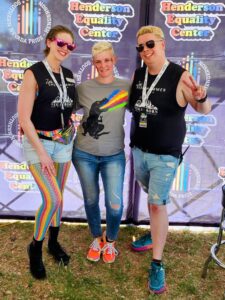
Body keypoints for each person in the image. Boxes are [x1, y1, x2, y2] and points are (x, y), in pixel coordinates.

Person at [129, 25, 211, 294]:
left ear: (163, 44)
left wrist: (202, 97)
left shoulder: (179, 75)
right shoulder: (139, 74)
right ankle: (154, 235)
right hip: (139, 150)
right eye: (140, 47)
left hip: (165, 155)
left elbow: (201, 107)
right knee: (152, 198)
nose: (145, 51)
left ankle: (157, 262)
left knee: (156, 204)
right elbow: (133, 105)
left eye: (150, 44)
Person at [18, 25, 78, 279]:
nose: (65, 49)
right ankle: (36, 247)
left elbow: (68, 106)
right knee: (52, 199)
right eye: (61, 43)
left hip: (64, 143)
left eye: (70, 46)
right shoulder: (34, 73)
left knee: (60, 198)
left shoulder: (69, 74)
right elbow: (23, 118)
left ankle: (54, 243)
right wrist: (42, 152)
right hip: (38, 144)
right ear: (50, 42)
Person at [72, 41, 130, 264]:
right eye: (98, 61)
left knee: (115, 206)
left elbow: (147, 108)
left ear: (114, 60)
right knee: (91, 199)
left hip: (113, 155)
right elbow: (61, 107)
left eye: (107, 60)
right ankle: (96, 238)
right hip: (84, 153)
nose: (103, 65)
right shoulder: (83, 88)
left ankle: (111, 241)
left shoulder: (126, 87)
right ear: (93, 63)